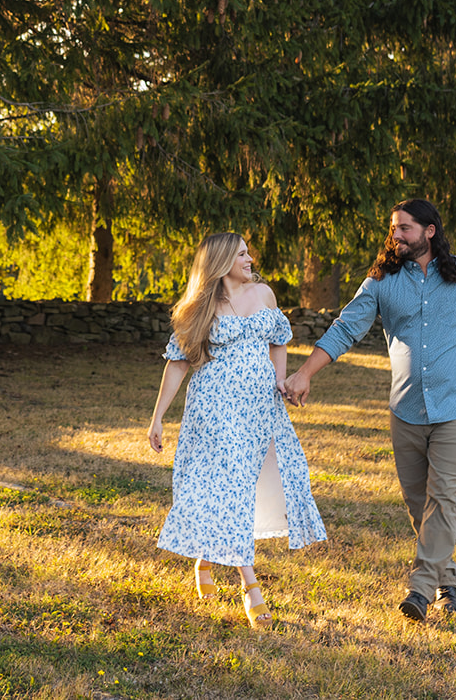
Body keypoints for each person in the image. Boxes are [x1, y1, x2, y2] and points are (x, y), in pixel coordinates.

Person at [281, 199, 456, 622]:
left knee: (442, 497)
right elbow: (346, 328)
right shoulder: (380, 281)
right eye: (394, 228)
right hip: (407, 408)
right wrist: (305, 372)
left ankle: (420, 590)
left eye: (406, 229)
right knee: (419, 503)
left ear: (430, 232)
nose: (396, 236)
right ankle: (447, 580)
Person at [148, 232, 327, 629]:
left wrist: (279, 381)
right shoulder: (198, 308)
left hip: (260, 406)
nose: (250, 258)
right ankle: (252, 588)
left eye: (249, 252)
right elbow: (177, 364)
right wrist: (158, 416)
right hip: (215, 407)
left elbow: (279, 340)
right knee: (230, 484)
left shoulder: (264, 294)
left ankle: (205, 561)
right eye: (242, 253)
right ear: (222, 261)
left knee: (241, 486)